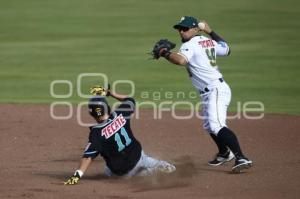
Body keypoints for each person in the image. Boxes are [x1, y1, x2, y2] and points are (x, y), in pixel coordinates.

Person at [152, 16, 252, 173]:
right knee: (209, 125)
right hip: (212, 90)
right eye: (179, 28)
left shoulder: (190, 45)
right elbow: (226, 49)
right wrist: (210, 31)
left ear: (195, 29)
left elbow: (180, 61)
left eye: (185, 28)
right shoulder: (208, 41)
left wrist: (165, 52)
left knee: (217, 125)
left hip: (215, 89)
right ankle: (224, 153)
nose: (181, 31)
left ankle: (241, 157)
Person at [64, 85, 175, 185]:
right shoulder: (121, 113)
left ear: (92, 114)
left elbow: (88, 157)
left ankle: (148, 172)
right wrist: (109, 93)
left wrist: (77, 176)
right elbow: (130, 100)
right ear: (107, 107)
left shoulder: (96, 133)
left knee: (108, 169)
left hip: (120, 174)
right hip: (139, 158)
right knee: (159, 165)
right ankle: (156, 167)